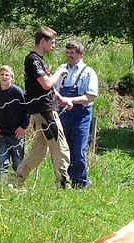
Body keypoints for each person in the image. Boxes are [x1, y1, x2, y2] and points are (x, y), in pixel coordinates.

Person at [15, 26, 70, 189]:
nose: (53, 45)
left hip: (44, 107)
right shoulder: (33, 60)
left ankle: (18, 178)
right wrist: (60, 72)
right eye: (52, 42)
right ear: (43, 41)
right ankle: (62, 181)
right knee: (60, 144)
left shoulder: (41, 60)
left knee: (39, 148)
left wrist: (59, 97)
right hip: (45, 109)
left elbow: (45, 86)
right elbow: (46, 83)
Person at [55, 41, 98, 189]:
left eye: (72, 53)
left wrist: (70, 100)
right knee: (63, 149)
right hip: (63, 114)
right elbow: (52, 89)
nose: (69, 56)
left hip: (81, 116)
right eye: (67, 53)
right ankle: (64, 180)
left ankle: (81, 182)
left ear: (80, 54)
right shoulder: (60, 69)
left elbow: (91, 96)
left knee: (79, 149)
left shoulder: (88, 72)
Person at [0, 65, 30, 184]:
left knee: (18, 160)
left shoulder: (17, 92)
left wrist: (23, 127)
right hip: (2, 133)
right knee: (2, 159)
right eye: (2, 75)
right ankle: (3, 184)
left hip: (17, 133)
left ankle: (19, 183)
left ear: (12, 78)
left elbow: (27, 109)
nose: (4, 77)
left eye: (7, 75)